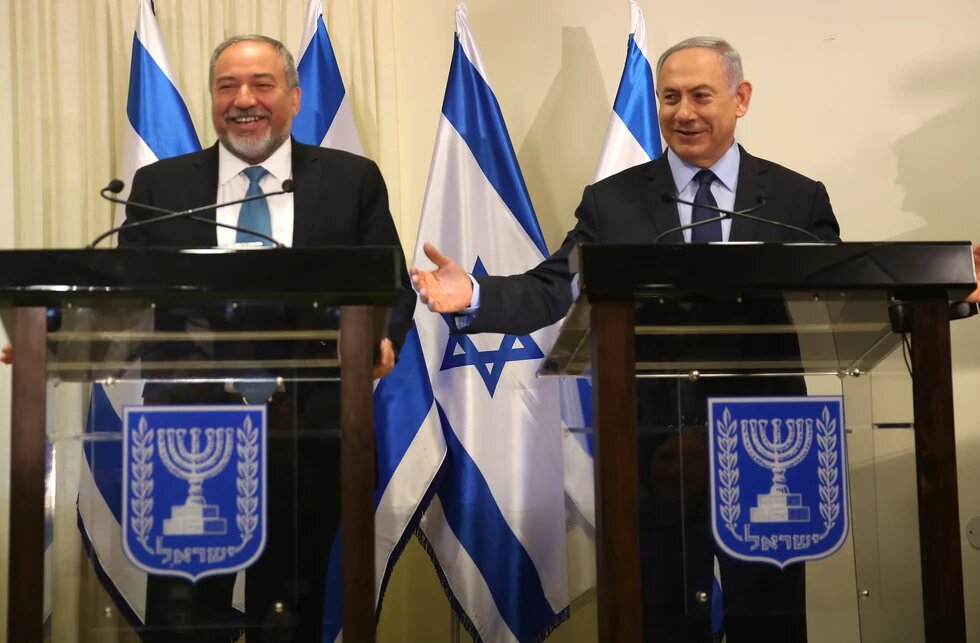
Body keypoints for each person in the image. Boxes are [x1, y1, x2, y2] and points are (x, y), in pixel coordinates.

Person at [412, 36, 837, 643]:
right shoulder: (613, 202)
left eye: (700, 96)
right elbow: (555, 286)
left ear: (740, 99)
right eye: (669, 97)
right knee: (659, 617)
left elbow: (838, 295)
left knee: (769, 619)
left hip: (768, 441)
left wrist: (947, 296)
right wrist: (477, 293)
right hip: (655, 442)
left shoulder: (798, 198)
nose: (683, 113)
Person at [118, 34, 415, 642]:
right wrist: (61, 335)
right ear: (212, 98)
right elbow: (125, 300)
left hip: (309, 428)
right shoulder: (160, 187)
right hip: (189, 435)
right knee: (183, 620)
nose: (243, 100)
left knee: (289, 616)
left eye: (261, 84)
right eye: (227, 86)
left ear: (295, 98)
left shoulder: (350, 180)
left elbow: (388, 286)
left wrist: (381, 337)